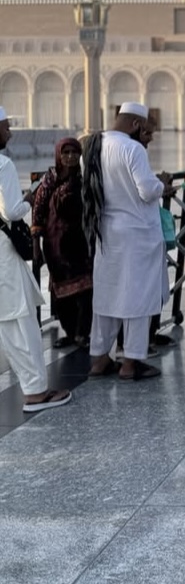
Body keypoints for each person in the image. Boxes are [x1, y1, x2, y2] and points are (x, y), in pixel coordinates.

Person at [83, 102, 170, 380]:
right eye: (144, 129)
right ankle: (131, 363)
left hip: (107, 233)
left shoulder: (93, 146)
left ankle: (99, 358)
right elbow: (146, 191)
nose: (145, 135)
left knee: (107, 295)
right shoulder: (132, 149)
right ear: (135, 124)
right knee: (137, 298)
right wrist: (163, 186)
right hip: (136, 235)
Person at [0, 106, 72, 411]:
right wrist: (31, 195)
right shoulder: (2, 164)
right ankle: (36, 392)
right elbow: (11, 211)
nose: (10, 133)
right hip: (3, 254)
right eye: (5, 127)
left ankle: (34, 387)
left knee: (9, 320)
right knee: (21, 319)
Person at [31, 138, 93, 349]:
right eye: (65, 152)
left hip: (80, 244)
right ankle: (70, 332)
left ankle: (82, 333)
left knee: (86, 290)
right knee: (62, 293)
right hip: (56, 246)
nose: (70, 156)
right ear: (58, 154)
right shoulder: (50, 180)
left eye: (74, 152)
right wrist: (35, 246)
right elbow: (38, 212)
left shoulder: (84, 179)